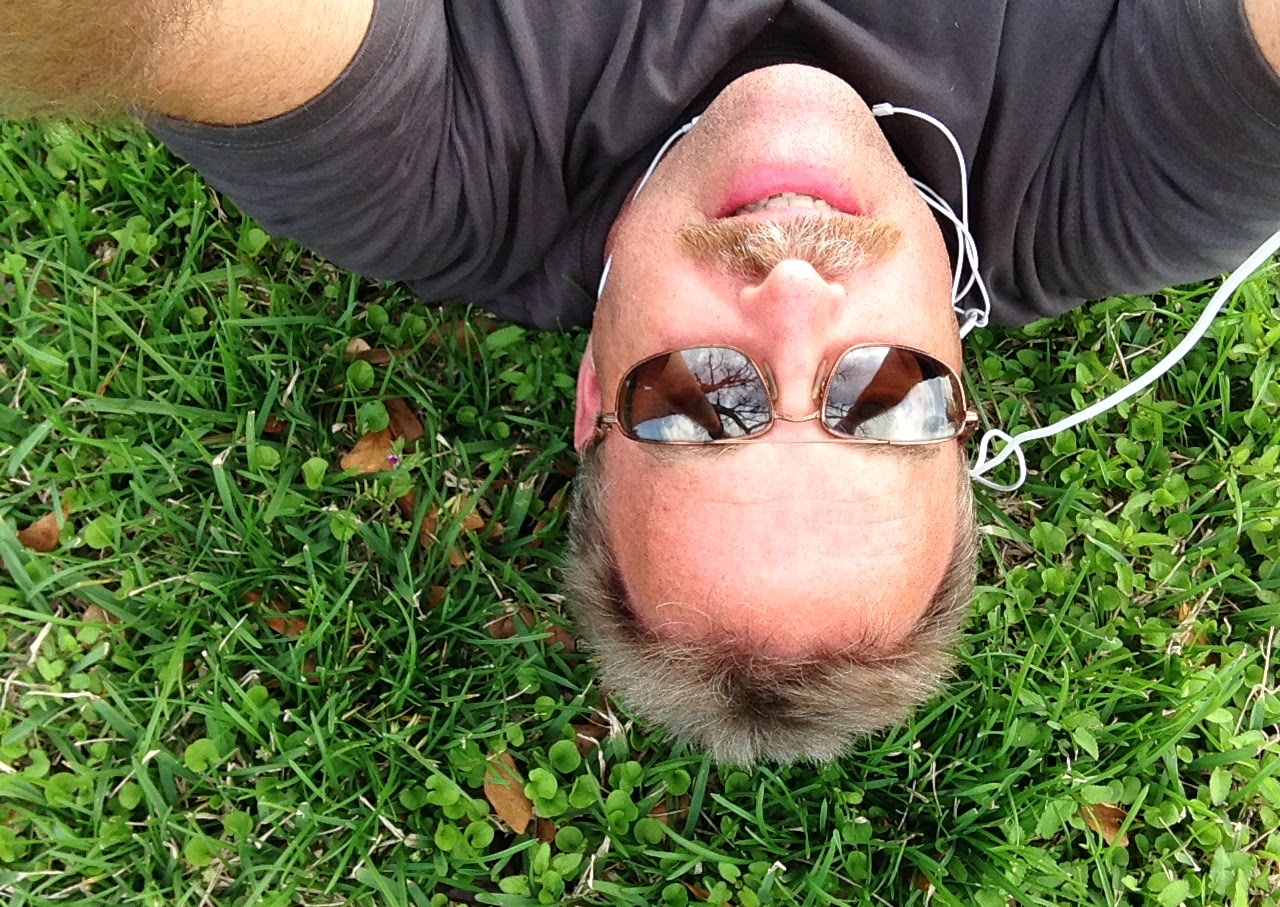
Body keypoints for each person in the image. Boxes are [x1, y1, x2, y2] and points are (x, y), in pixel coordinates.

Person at [4, 1, 1279, 766]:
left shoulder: (427, 177)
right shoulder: (1124, 188)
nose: (793, 298)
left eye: (704, 400)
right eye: (885, 399)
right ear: (959, 405)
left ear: (592, 399)